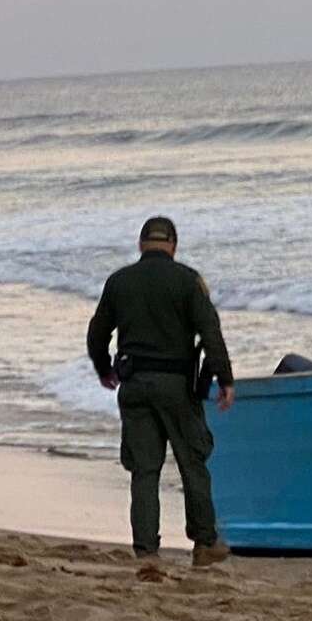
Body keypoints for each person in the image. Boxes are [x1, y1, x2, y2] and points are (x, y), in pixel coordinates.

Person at [86, 216, 236, 566]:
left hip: (134, 385)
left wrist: (103, 369)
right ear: (173, 245)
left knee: (144, 469)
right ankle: (204, 544)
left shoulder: (119, 281)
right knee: (192, 464)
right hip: (177, 387)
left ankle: (146, 552)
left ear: (141, 245)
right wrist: (225, 380)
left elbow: (97, 334)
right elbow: (210, 334)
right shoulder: (187, 281)